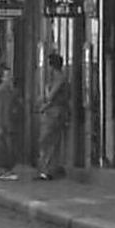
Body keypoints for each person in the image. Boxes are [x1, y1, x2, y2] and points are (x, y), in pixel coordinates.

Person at [36, 52, 71, 180]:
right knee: (50, 141)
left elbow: (51, 96)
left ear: (52, 66)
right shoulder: (58, 78)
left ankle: (47, 170)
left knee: (47, 140)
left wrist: (44, 98)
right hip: (54, 113)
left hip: (54, 114)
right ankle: (50, 168)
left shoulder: (59, 78)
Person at [0, 72, 23, 180]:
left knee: (4, 148)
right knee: (1, 149)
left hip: (6, 123)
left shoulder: (9, 91)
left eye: (11, 76)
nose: (10, 78)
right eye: (7, 76)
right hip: (1, 123)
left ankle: (1, 170)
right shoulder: (0, 92)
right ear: (2, 78)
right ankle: (1, 171)